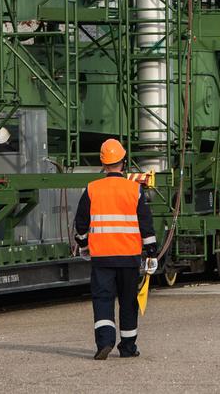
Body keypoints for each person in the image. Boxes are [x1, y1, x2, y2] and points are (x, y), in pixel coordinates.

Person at [74, 138, 157, 360]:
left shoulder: (92, 189)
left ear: (103, 163)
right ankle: (128, 347)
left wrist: (83, 245)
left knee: (103, 300)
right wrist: (151, 253)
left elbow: (81, 223)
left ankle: (105, 341)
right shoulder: (134, 190)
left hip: (101, 257)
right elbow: (146, 225)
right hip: (129, 258)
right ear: (123, 161)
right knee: (128, 301)